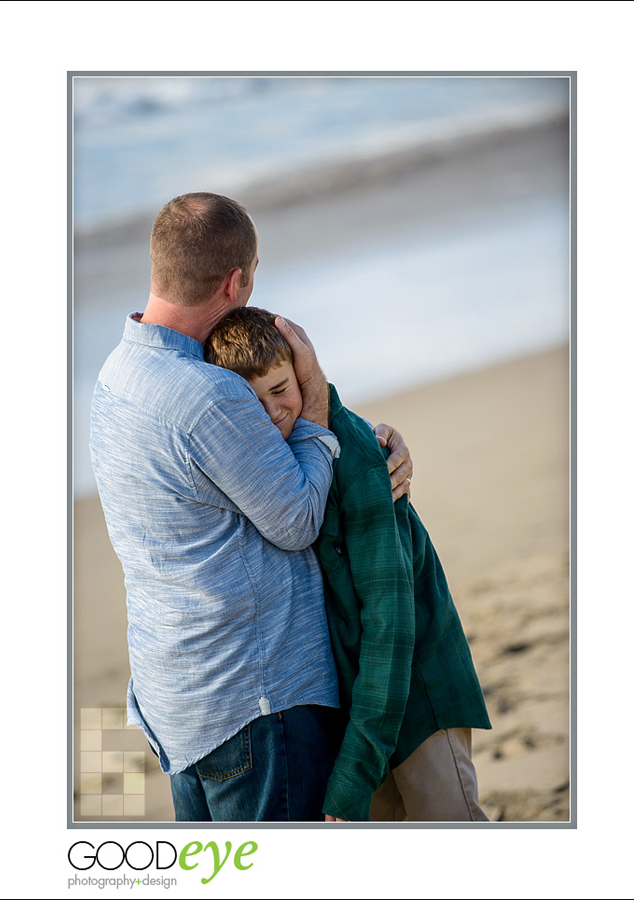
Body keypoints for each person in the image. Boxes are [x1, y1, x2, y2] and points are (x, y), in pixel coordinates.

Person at [89, 192, 412, 822]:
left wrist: (370, 446)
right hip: (257, 704)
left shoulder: (116, 375)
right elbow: (296, 520)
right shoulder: (208, 395)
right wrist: (317, 405)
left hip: (177, 701)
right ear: (236, 280)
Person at [205, 306, 492, 822]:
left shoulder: (358, 459)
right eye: (251, 402)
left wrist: (355, 771)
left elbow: (391, 625)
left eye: (281, 389)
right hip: (357, 704)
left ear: (303, 375)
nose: (273, 414)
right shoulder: (268, 467)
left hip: (416, 690)